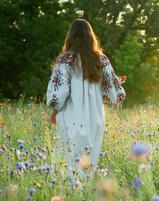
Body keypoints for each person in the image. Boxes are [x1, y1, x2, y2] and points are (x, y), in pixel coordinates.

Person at [46, 19, 125, 177]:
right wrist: (99, 97)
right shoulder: (101, 59)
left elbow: (59, 94)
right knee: (88, 163)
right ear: (91, 36)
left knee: (68, 163)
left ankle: (70, 196)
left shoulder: (65, 60)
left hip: (71, 116)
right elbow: (115, 94)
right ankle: (84, 197)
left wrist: (54, 110)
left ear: (71, 36)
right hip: (95, 117)